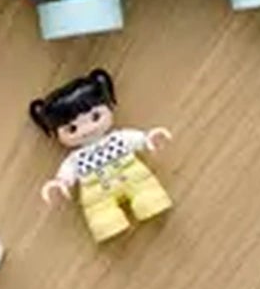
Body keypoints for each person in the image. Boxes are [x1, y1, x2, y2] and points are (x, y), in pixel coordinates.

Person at [29, 68, 173, 244]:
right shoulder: (76, 159)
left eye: (95, 116)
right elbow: (67, 173)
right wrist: (60, 183)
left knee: (149, 195)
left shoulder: (119, 137)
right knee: (102, 216)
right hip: (96, 192)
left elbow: (138, 139)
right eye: (72, 129)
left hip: (134, 176)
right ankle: (106, 222)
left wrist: (148, 139)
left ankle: (150, 201)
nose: (87, 128)